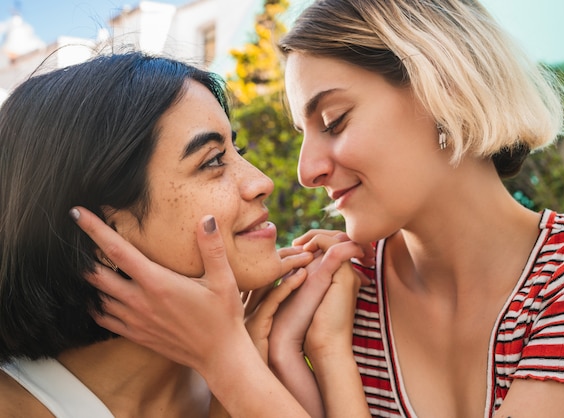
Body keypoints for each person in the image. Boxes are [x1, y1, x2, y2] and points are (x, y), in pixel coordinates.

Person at [74, 0, 564, 417]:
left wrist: (225, 360)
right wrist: (312, 355)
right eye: (303, 134)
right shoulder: (338, 298)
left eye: (334, 121)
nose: (304, 170)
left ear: (444, 89)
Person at [0, 50, 370, 417]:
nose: (261, 182)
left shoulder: (262, 355)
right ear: (103, 236)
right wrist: (230, 363)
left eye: (236, 150)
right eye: (212, 161)